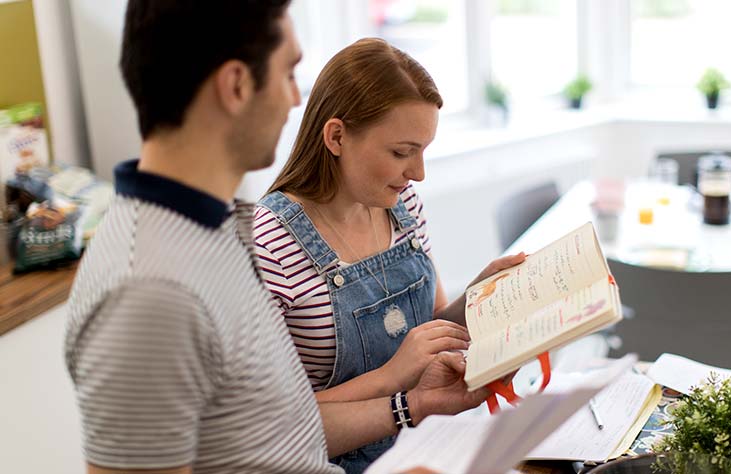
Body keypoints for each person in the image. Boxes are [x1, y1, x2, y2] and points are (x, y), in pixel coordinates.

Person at [64, 2, 490, 473]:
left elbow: (274, 437)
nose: (294, 98)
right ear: (236, 86)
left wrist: (412, 405)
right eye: (289, 73)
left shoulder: (211, 237)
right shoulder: (149, 293)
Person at [254, 38, 526, 472]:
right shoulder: (268, 247)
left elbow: (431, 323)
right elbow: (267, 426)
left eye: (423, 150)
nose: (418, 172)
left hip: (426, 447)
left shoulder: (403, 205)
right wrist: (393, 380)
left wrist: (479, 299)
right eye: (402, 152)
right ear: (337, 136)